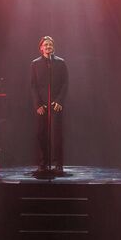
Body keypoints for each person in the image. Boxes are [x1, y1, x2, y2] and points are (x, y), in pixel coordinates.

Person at [29, 35, 69, 174]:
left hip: (56, 104)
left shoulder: (61, 63)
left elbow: (65, 83)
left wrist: (59, 101)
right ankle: (43, 163)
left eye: (50, 44)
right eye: (45, 45)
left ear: (53, 47)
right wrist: (38, 104)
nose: (48, 47)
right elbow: (33, 86)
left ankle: (58, 164)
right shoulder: (35, 64)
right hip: (42, 105)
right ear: (41, 48)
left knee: (57, 135)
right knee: (41, 134)